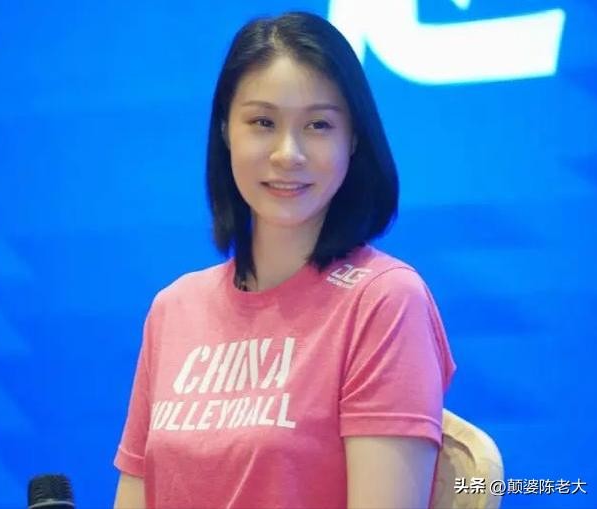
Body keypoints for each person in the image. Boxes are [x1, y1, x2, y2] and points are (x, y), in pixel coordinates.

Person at [113, 10, 456, 509]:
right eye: (263, 122)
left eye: (318, 125)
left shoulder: (384, 300)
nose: (287, 153)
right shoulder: (174, 308)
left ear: (353, 139)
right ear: (226, 130)